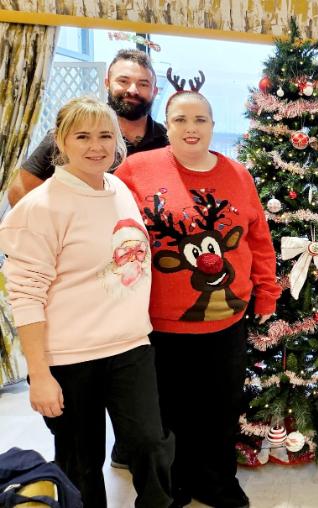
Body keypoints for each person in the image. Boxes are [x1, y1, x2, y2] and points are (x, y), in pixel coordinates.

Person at [115, 72, 281, 507]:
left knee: (220, 410)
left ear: (212, 125)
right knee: (168, 412)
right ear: (166, 126)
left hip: (225, 321)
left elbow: (258, 240)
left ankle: (218, 481)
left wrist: (266, 292)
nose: (191, 127)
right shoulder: (136, 169)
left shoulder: (238, 175)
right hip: (159, 323)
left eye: (201, 119)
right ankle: (173, 485)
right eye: (181, 119)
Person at [0, 96, 174, 507]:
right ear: (60, 141)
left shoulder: (119, 188)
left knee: (151, 444)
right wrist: (39, 374)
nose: (96, 146)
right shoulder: (40, 208)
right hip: (70, 356)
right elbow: (24, 296)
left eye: (105, 135)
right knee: (81, 461)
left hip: (131, 346)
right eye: (82, 136)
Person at [7, 49, 168, 207]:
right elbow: (20, 191)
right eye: (123, 81)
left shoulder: (168, 141)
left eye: (143, 84)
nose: (133, 90)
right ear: (107, 83)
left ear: (154, 91)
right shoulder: (71, 132)